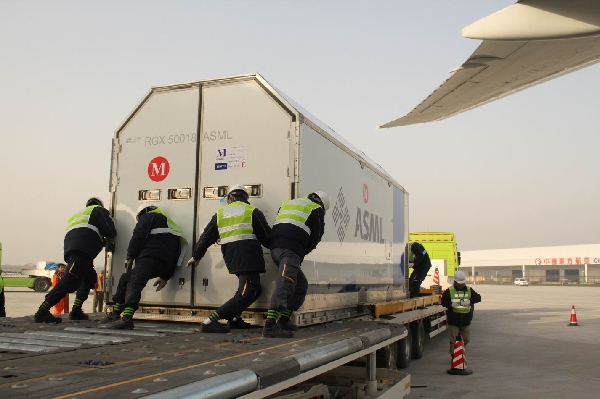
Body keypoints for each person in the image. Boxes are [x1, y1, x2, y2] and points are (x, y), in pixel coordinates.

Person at [186, 185, 271, 333]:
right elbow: (267, 237)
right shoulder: (252, 211)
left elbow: (206, 237)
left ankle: (234, 318)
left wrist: (196, 256)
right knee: (247, 292)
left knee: (255, 289)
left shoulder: (220, 213)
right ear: (246, 198)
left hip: (233, 257)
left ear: (230, 198)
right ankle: (209, 322)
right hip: (249, 257)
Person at [102, 203, 186, 329]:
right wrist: (166, 276)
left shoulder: (149, 216)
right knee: (126, 279)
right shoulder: (171, 225)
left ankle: (127, 319)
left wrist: (130, 256)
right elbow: (176, 252)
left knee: (134, 283)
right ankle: (115, 313)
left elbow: (138, 236)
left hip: (149, 258)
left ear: (144, 211)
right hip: (163, 265)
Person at [34, 197, 117, 323]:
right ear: (99, 205)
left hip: (74, 250)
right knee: (69, 281)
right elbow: (110, 231)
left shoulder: (77, 215)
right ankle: (42, 311)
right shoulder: (98, 210)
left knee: (89, 278)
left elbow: (85, 232)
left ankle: (76, 310)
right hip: (81, 251)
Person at [262, 191, 329, 338]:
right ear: (323, 204)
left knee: (300, 285)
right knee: (285, 284)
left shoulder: (288, 203)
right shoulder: (316, 209)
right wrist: (302, 252)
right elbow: (316, 237)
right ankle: (270, 326)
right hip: (290, 250)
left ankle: (283, 321)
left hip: (275, 248)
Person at [441, 270, 482, 356]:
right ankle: (454, 355)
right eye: (459, 283)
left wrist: (470, 301)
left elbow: (478, 298)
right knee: (453, 340)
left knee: (467, 339)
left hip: (465, 320)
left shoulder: (469, 290)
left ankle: (461, 349)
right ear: (455, 282)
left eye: (462, 283)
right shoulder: (449, 291)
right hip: (453, 320)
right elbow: (443, 302)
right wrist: (450, 304)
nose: (461, 285)